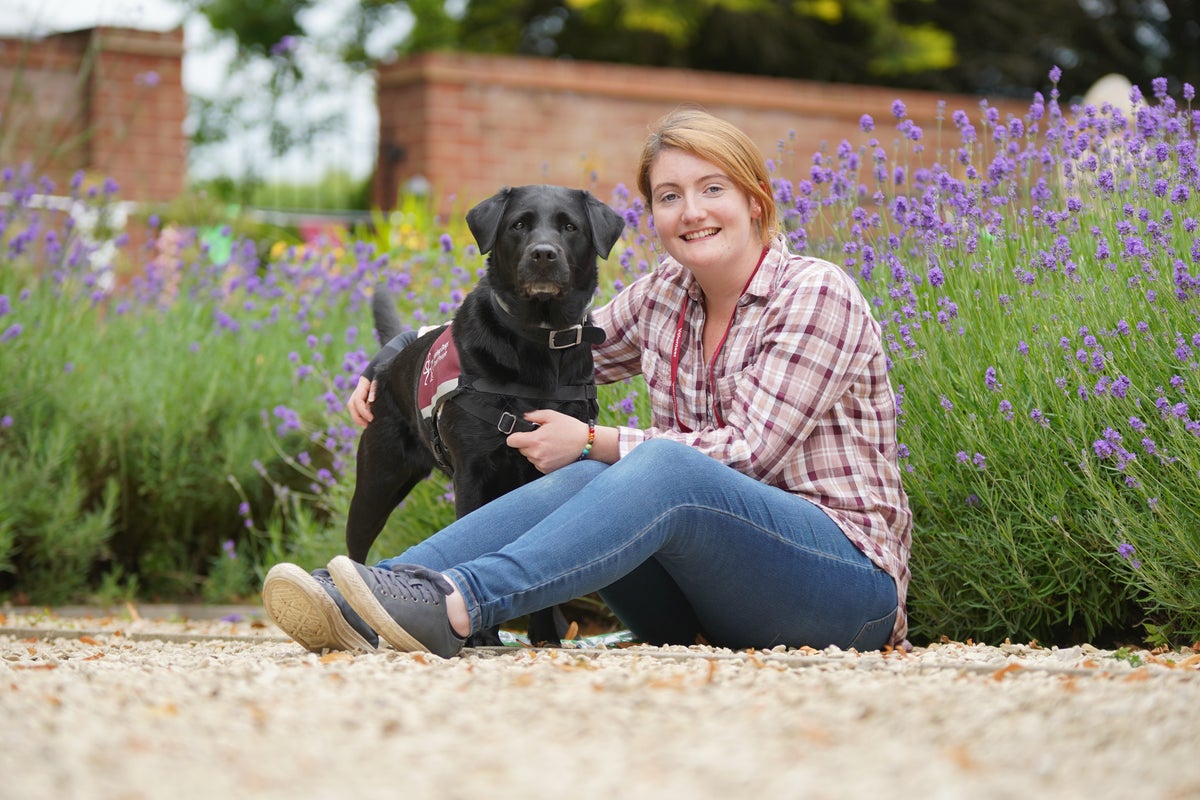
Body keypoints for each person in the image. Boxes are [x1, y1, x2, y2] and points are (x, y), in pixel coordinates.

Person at [262, 108, 913, 658]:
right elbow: (532, 344)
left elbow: (749, 454)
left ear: (755, 200)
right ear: (653, 213)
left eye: (713, 189)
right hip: (699, 605)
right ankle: (369, 595)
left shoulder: (815, 293)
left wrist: (593, 438)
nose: (691, 211)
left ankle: (456, 604)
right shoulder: (664, 297)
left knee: (650, 464)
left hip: (841, 592)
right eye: (669, 196)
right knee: (593, 474)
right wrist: (401, 357)